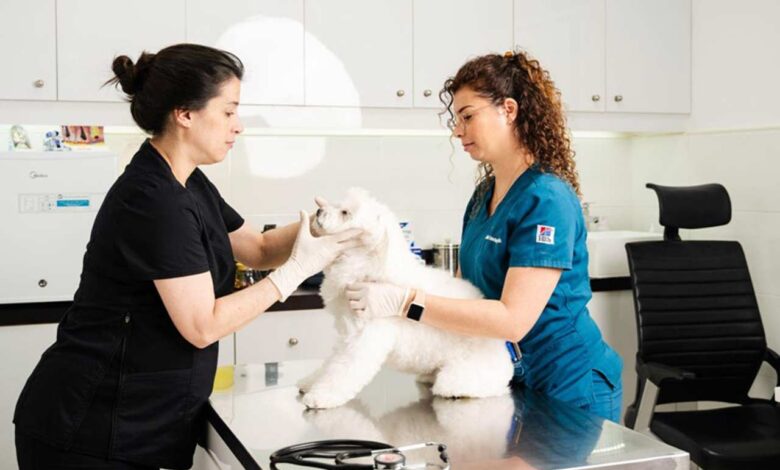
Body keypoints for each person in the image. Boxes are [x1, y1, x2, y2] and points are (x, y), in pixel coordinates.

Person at [13, 44, 360, 470]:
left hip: (143, 420)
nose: (239, 126)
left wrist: (328, 224)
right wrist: (297, 271)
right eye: (229, 111)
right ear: (185, 113)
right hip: (92, 428)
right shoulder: (154, 200)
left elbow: (259, 248)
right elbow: (202, 325)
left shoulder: (188, 182)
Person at [346, 51, 623, 422]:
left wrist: (406, 302)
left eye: (467, 116)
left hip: (568, 384)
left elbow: (512, 319)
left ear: (509, 110)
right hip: (505, 376)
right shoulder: (484, 196)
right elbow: (462, 293)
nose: (458, 131)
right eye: (456, 120)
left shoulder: (547, 199)